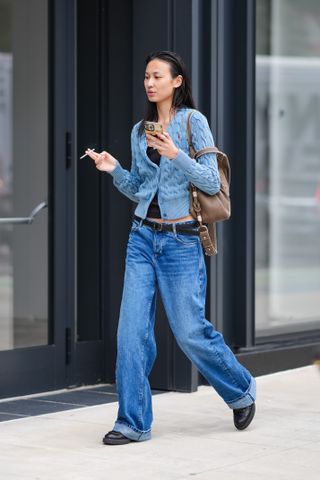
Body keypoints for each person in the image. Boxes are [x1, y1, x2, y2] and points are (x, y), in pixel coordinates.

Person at [85, 50, 256, 446]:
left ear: (177, 81)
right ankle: (132, 422)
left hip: (181, 242)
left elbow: (212, 183)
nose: (150, 82)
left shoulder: (194, 123)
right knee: (130, 333)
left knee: (190, 331)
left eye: (158, 76)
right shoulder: (137, 131)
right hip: (142, 238)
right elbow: (139, 190)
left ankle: (240, 390)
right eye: (147, 76)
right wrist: (113, 170)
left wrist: (175, 154)